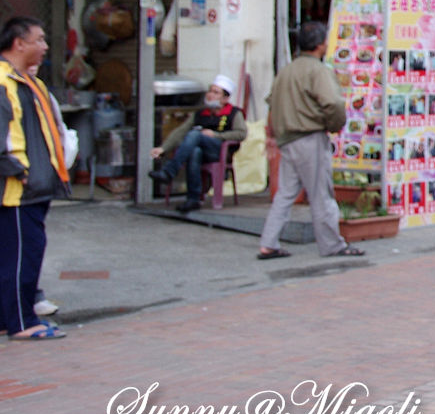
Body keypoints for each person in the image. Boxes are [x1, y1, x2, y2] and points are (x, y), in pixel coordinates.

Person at [258, 22, 363, 260]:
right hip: (309, 137)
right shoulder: (318, 70)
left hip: (288, 139)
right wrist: (335, 125)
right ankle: (332, 245)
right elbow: (333, 103)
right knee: (321, 193)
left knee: (285, 193)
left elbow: (271, 105)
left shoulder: (286, 70)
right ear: (319, 45)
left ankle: (268, 242)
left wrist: (272, 135)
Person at [0, 16, 72, 339]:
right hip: (16, 190)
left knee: (20, 253)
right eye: (39, 40)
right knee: (20, 256)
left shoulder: (26, 82)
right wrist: (20, 172)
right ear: (19, 43)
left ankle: (9, 318)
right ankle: (22, 322)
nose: (44, 47)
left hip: (33, 187)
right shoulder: (4, 83)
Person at [149, 74, 244, 212]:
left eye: (215, 92)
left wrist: (216, 135)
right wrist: (163, 148)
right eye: (210, 91)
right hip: (202, 151)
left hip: (219, 151)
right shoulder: (200, 113)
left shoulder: (234, 113)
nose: (210, 95)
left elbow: (241, 133)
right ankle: (193, 199)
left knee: (195, 134)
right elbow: (180, 131)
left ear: (225, 98)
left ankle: (170, 171)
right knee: (194, 151)